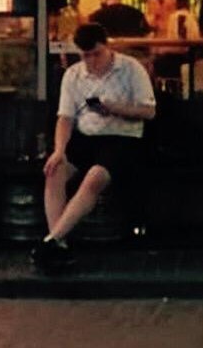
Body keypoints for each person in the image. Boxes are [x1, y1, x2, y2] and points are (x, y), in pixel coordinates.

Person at [31, 23, 156, 272]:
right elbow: (65, 118)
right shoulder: (73, 75)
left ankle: (50, 241)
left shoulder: (131, 68)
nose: (91, 61)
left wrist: (114, 108)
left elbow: (149, 111)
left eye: (96, 54)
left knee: (95, 177)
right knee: (54, 171)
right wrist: (59, 150)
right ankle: (59, 243)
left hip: (122, 137)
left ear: (107, 47)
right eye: (85, 56)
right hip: (85, 136)